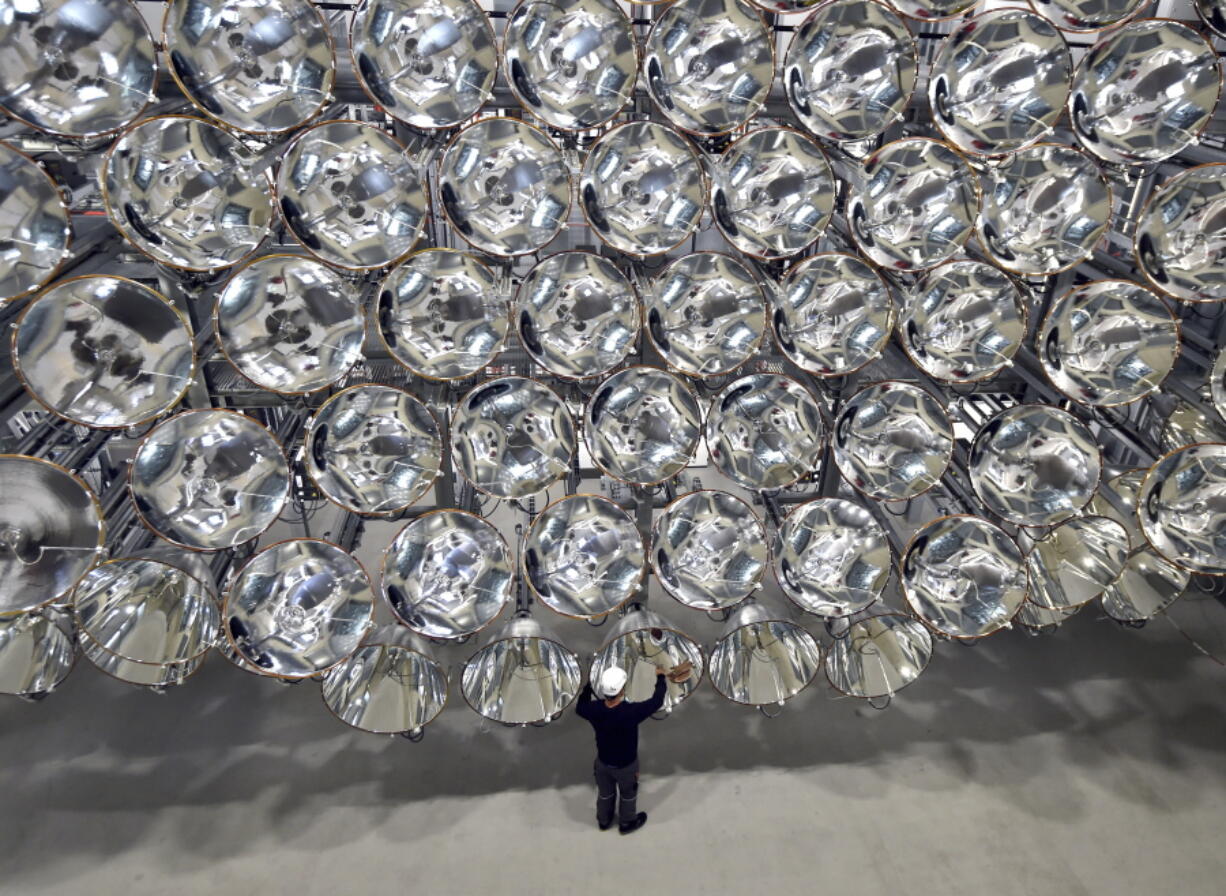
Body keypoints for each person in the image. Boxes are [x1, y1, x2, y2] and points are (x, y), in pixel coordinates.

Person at [575, 660, 692, 835]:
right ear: (622, 690)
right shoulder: (630, 712)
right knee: (628, 794)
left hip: (603, 764)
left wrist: (588, 687)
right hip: (626, 766)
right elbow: (656, 701)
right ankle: (627, 822)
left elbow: (580, 707)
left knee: (605, 794)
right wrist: (660, 678)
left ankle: (604, 820)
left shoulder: (594, 709)